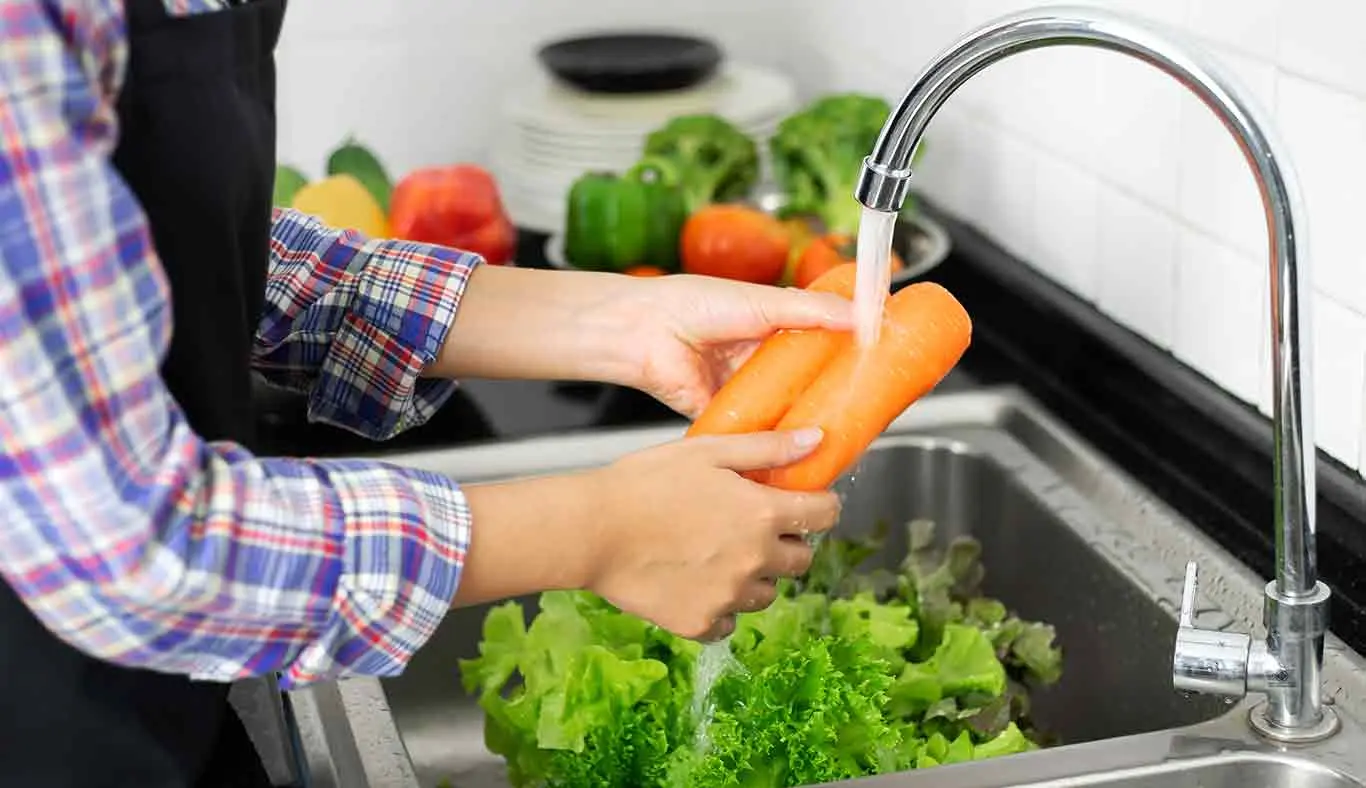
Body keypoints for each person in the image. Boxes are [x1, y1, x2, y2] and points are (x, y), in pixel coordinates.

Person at [0, 1, 851, 786]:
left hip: (155, 708)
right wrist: (607, 530)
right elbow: (134, 547)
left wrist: (620, 320)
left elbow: (171, 254)